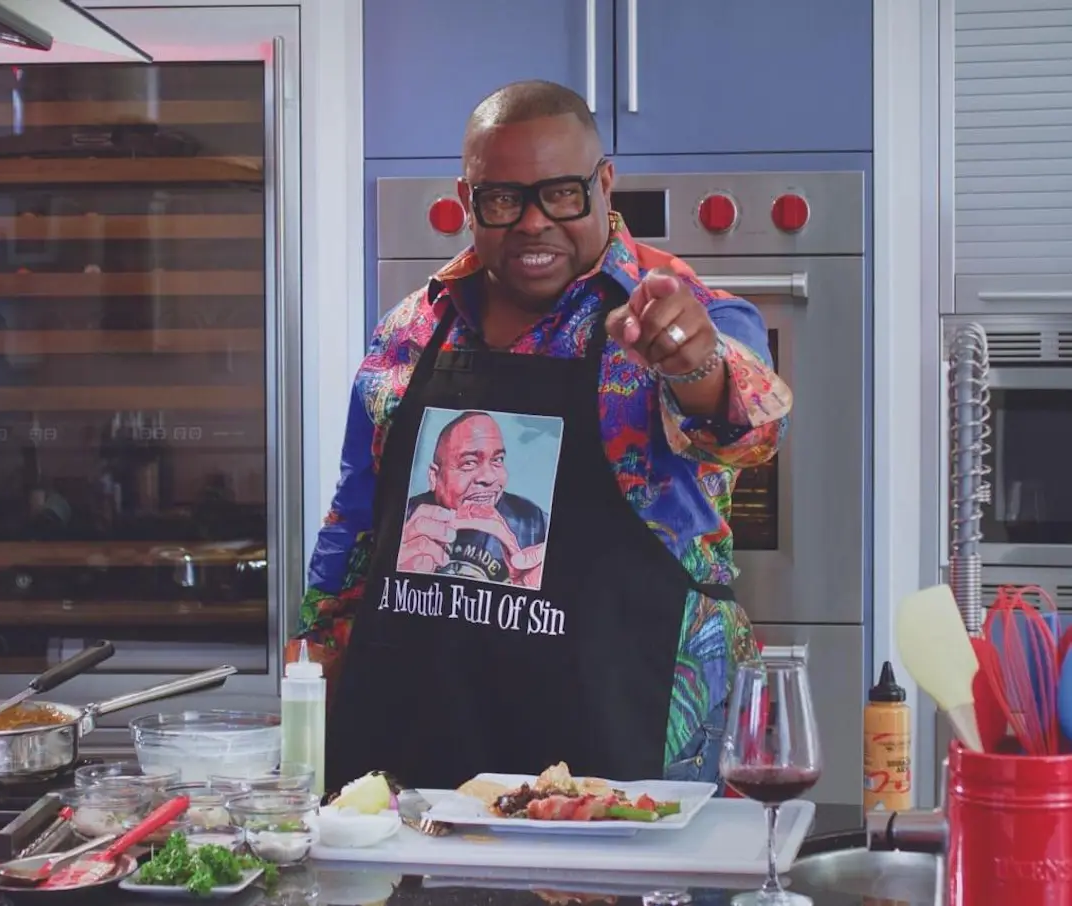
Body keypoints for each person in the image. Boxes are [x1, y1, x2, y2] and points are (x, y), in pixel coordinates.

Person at [289, 80, 793, 792]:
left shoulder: (680, 310)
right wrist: (308, 680)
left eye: (561, 194)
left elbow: (750, 426)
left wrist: (695, 364)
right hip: (421, 751)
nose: (533, 222)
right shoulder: (410, 329)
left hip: (621, 749)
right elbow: (354, 525)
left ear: (604, 185)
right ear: (467, 200)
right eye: (503, 199)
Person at [400, 410, 549, 588]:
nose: (489, 477)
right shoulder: (405, 520)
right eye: (468, 463)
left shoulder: (533, 523)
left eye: (497, 460)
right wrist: (396, 570)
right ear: (434, 477)